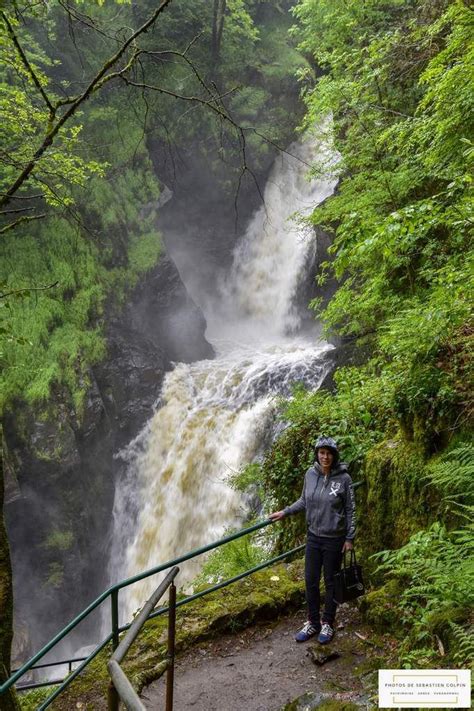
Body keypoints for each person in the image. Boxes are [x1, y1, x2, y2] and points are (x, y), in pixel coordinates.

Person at [269, 435, 356, 644]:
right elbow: (304, 500)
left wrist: (349, 538)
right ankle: (313, 622)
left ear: (334, 456)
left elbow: (350, 509)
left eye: (329, 454)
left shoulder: (344, 479)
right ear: (317, 454)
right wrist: (286, 512)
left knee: (331, 581)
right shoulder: (310, 474)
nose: (325, 457)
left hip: (334, 539)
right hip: (314, 537)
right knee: (310, 581)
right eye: (322, 453)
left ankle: (328, 623)